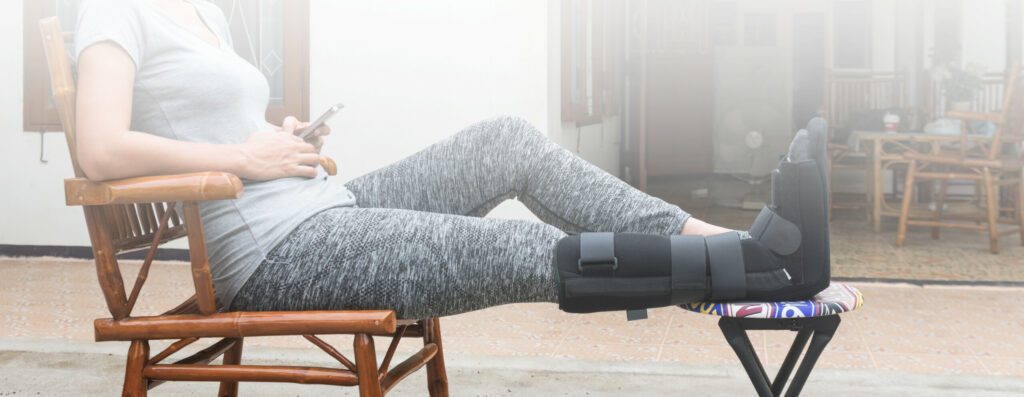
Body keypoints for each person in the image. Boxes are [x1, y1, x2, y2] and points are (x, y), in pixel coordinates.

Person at [76, 0, 819, 320]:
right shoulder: (112, 7)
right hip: (272, 252)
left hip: (320, 207)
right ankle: (741, 271)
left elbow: (219, 120)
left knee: (504, 138)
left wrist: (281, 135)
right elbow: (99, 147)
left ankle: (716, 240)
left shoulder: (202, 9)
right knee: (525, 248)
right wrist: (244, 155)